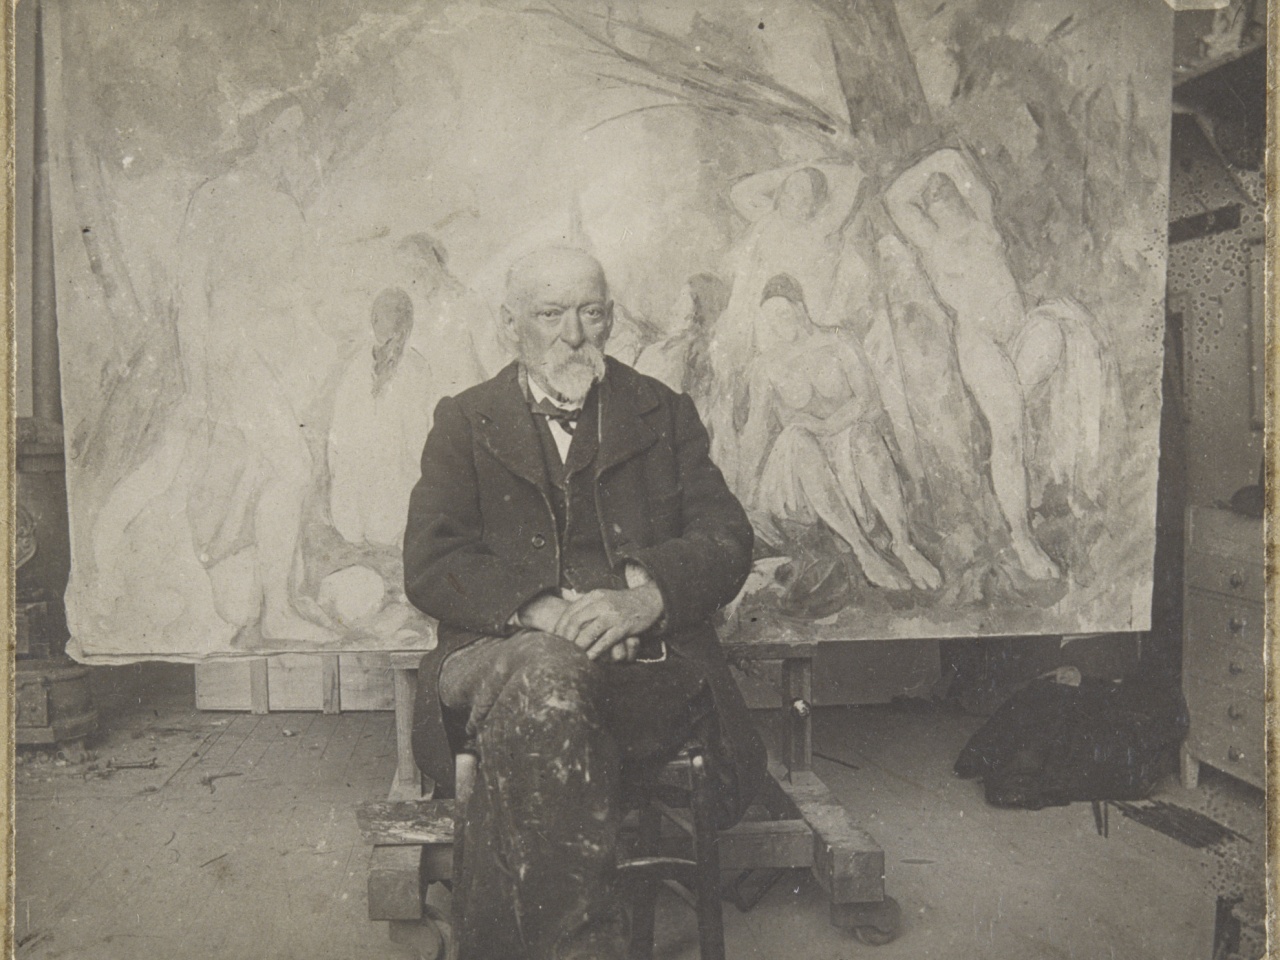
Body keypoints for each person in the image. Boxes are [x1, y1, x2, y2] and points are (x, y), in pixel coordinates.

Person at [404, 246, 767, 960]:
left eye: (590, 312)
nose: (572, 334)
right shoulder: (464, 420)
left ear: (611, 319)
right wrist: (543, 613)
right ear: (510, 325)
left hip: (643, 674)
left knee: (545, 700)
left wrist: (647, 598)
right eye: (550, 314)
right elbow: (431, 562)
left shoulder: (662, 412)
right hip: (493, 658)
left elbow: (727, 538)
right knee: (546, 670)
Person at [885, 147, 1061, 581]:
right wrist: (931, 166)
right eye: (931, 195)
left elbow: (964, 171)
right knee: (1010, 431)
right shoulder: (931, 239)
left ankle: (1019, 483)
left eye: (945, 189)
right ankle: (1022, 540)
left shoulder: (984, 220)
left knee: (1056, 337)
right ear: (925, 210)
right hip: (979, 341)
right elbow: (894, 197)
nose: (939, 194)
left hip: (1018, 331)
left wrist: (944, 160)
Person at [738, 275, 942, 592]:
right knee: (798, 437)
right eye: (771, 320)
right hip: (795, 474)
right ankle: (864, 552)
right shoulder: (768, 365)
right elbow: (755, 434)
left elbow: (868, 400)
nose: (778, 325)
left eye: (782, 314)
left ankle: (903, 544)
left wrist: (825, 427)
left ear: (800, 307)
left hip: (842, 458)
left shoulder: (838, 342)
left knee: (863, 434)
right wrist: (742, 496)